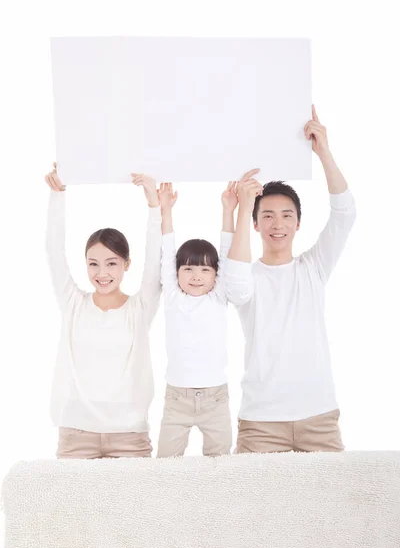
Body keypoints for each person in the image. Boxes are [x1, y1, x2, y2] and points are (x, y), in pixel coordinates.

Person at [225, 106, 356, 453]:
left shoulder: (313, 267)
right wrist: (241, 205)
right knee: (251, 508)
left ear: (298, 223)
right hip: (261, 424)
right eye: (266, 215)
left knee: (334, 506)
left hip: (319, 419)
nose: (277, 224)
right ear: (255, 225)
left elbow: (345, 214)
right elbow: (234, 287)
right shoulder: (248, 276)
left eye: (286, 215)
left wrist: (323, 151)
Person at [45, 163, 161, 459]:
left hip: (129, 435)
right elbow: (54, 251)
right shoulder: (73, 304)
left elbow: (155, 263)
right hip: (76, 433)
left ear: (126, 264)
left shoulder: (139, 308)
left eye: (111, 263)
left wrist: (153, 205)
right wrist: (57, 196)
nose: (102, 272)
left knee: (134, 506)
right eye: (93, 263)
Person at [156, 181, 239, 457]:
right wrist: (166, 210)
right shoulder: (172, 297)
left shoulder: (218, 297)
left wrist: (228, 210)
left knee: (220, 465)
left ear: (215, 275)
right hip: (177, 397)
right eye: (188, 268)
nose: (196, 276)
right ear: (177, 273)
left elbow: (227, 255)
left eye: (205, 269)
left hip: (215, 398)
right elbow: (167, 253)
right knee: (166, 464)